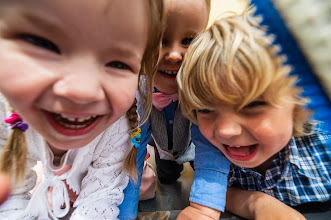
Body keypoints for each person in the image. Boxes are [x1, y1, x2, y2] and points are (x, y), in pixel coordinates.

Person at [0, 0, 163, 219]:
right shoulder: (5, 113)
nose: (82, 92)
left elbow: (101, 198)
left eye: (117, 63)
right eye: (45, 45)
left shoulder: (118, 128)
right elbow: (11, 196)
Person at [177, 7, 330, 220]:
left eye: (250, 106)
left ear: (298, 102)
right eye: (205, 109)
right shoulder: (214, 153)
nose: (225, 130)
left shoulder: (324, 147)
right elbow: (214, 193)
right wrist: (258, 203)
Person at [150, 0, 210, 185]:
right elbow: (136, 137)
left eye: (188, 41)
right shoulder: (138, 90)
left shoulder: (204, 87)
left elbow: (209, 147)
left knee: (204, 175)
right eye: (161, 41)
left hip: (195, 144)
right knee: (167, 179)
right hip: (163, 149)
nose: (175, 55)